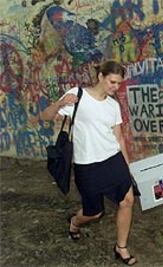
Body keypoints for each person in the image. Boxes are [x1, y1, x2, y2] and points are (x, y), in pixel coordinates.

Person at [41, 60, 137, 266]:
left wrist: (127, 167)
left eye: (119, 83)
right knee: (94, 212)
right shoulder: (79, 95)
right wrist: (60, 104)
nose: (115, 87)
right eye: (112, 82)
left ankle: (121, 247)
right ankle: (75, 221)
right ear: (100, 77)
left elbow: (119, 137)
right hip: (88, 164)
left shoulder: (113, 104)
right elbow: (46, 116)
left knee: (127, 201)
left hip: (113, 159)